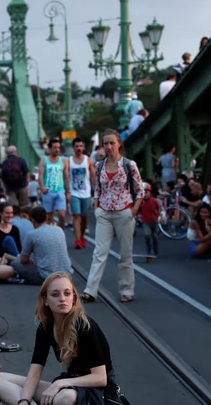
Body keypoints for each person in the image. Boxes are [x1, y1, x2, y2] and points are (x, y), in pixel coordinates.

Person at [0, 273, 122, 405]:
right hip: (71, 385)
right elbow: (35, 371)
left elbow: (100, 378)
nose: (62, 299)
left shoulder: (85, 326)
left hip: (98, 392)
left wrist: (60, 383)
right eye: (55, 294)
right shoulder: (45, 327)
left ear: (74, 298)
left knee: (65, 397)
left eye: (67, 293)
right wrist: (24, 400)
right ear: (45, 300)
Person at [82, 129, 144, 303]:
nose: (108, 147)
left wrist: (134, 209)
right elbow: (97, 189)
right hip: (104, 213)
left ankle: (127, 290)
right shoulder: (100, 165)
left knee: (125, 254)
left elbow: (140, 189)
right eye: (106, 144)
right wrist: (97, 206)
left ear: (119, 144)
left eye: (112, 143)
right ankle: (90, 290)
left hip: (124, 212)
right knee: (99, 253)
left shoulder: (128, 165)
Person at [12, 206, 73, 285]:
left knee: (15, 263)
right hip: (67, 276)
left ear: (32, 220)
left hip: (46, 278)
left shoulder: (32, 234)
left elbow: (23, 260)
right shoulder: (59, 229)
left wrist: (29, 261)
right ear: (47, 217)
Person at [69, 138, 96, 249]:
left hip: (86, 193)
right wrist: (67, 191)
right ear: (73, 148)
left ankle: (82, 235)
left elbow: (93, 175)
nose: (79, 148)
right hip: (74, 192)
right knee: (76, 215)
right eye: (76, 146)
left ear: (83, 147)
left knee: (84, 217)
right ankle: (78, 240)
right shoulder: (68, 160)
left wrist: (96, 191)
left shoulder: (88, 160)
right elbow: (66, 176)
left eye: (81, 146)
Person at [39, 139, 70, 229]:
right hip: (48, 191)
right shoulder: (43, 160)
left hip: (60, 191)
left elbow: (66, 177)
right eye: (54, 147)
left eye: (58, 147)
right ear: (49, 149)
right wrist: (42, 187)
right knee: (49, 217)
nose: (57, 149)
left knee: (62, 214)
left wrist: (68, 191)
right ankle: (52, 236)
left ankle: (61, 233)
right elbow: (40, 176)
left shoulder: (64, 161)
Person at [140, 184, 161, 256]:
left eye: (146, 192)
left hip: (154, 222)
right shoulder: (141, 202)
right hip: (145, 222)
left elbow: (158, 208)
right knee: (147, 235)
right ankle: (148, 248)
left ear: (149, 192)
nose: (145, 194)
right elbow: (137, 210)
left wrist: (160, 216)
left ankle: (155, 250)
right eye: (143, 192)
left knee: (155, 237)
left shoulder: (154, 201)